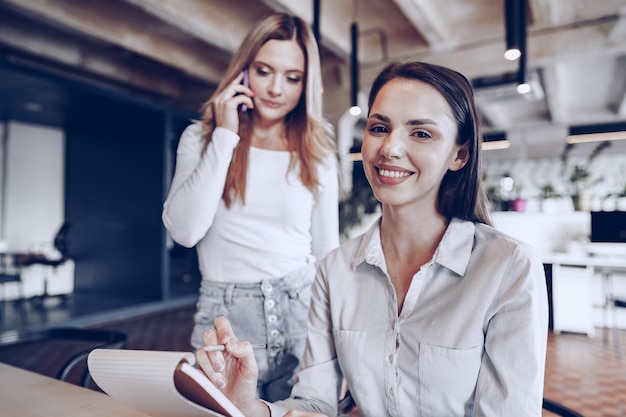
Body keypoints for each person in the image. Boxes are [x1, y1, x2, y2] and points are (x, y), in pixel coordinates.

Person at [195, 61, 549, 417]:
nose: (390, 148)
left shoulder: (508, 267)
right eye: (380, 127)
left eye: (421, 133)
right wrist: (247, 406)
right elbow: (315, 404)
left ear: (459, 155)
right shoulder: (335, 271)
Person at [162, 13, 340, 402]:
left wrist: (337, 340)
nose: (276, 89)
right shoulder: (203, 137)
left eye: (293, 78)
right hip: (226, 321)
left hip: (301, 311)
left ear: (307, 83)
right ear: (244, 70)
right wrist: (226, 135)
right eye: (263, 71)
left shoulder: (318, 147)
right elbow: (184, 231)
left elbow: (328, 253)